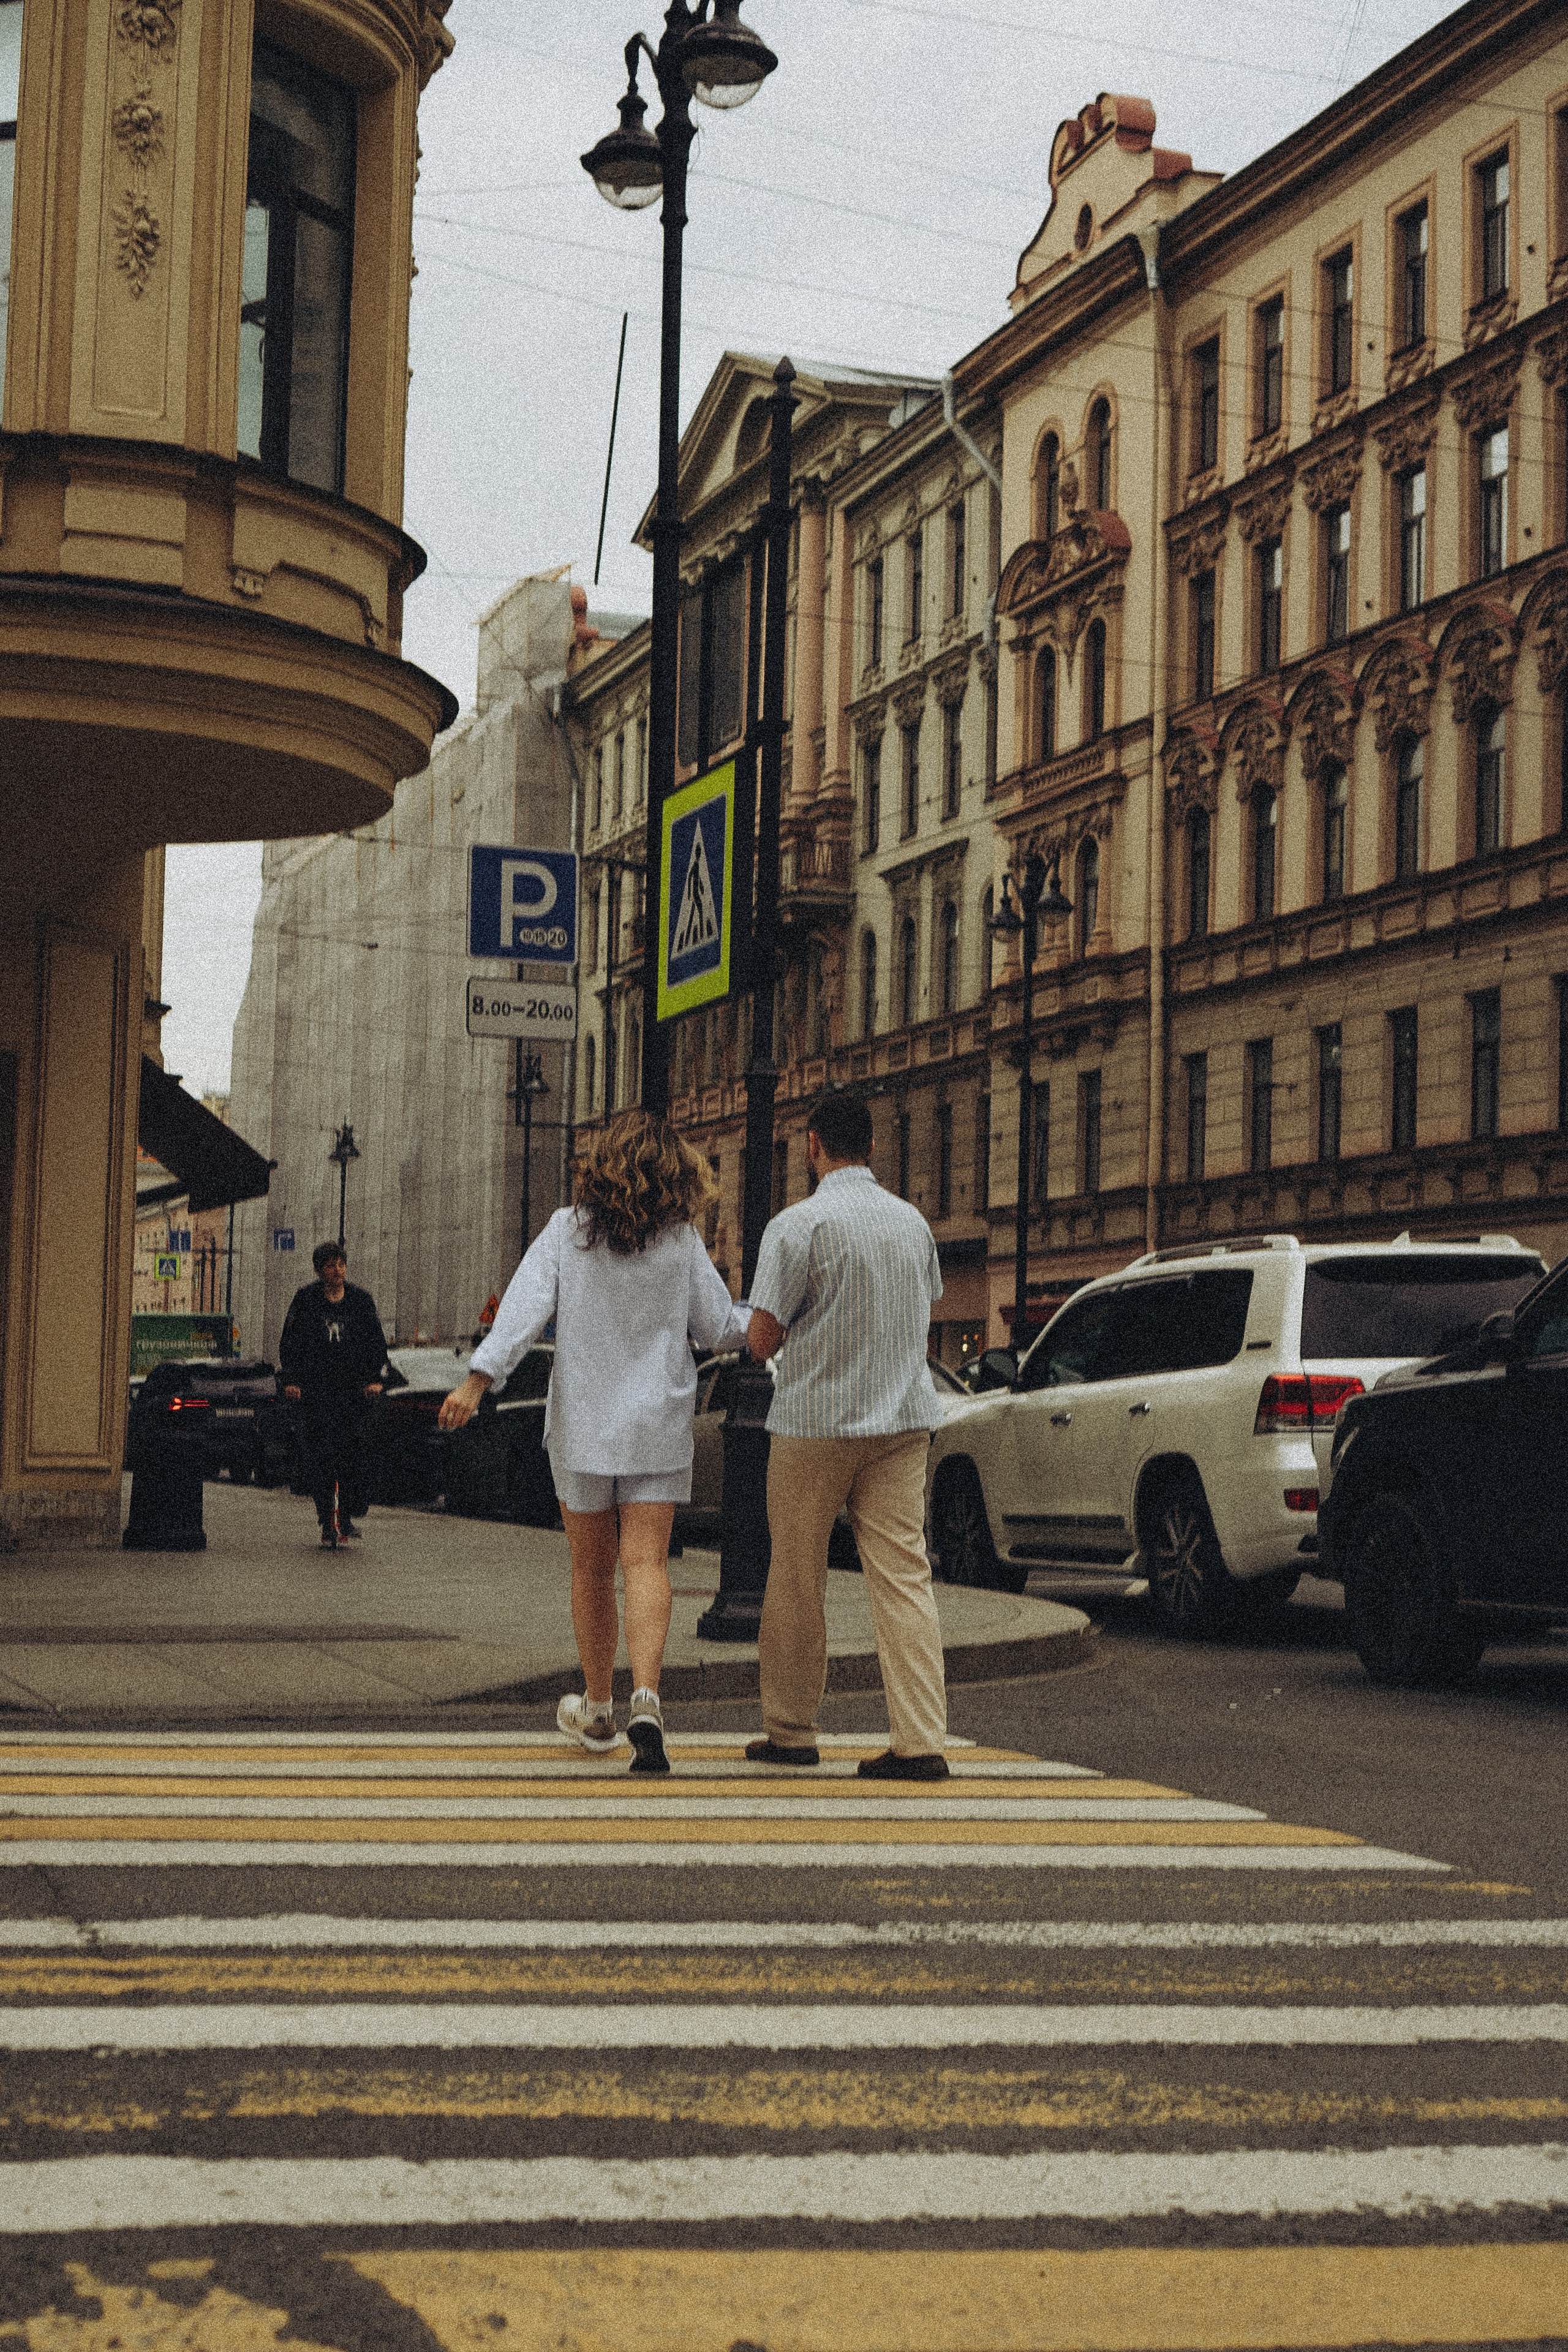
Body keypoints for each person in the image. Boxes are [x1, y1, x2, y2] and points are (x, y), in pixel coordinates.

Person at [439, 1109, 749, 1774]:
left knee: (590, 1570)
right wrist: (767, 1323)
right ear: (674, 1172)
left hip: (582, 1423)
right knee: (647, 1564)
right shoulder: (680, 1240)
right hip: (658, 1423)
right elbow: (719, 1326)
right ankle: (647, 1695)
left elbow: (521, 1312)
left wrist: (476, 1383)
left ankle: (600, 1707)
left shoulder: (566, 1232)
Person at [744, 1089, 949, 1781]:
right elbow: (929, 1303)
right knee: (903, 1574)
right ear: (872, 1146)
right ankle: (920, 1742)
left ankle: (792, 1731)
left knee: (797, 1575)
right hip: (901, 1422)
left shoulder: (797, 1225)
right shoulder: (912, 1224)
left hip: (814, 1424)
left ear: (813, 1146)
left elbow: (762, 1337)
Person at [279, 1242, 387, 1548]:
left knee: (353, 1456)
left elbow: (375, 1343)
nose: (337, 1271)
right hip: (317, 1395)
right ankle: (328, 1522)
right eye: (330, 1266)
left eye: (341, 1264)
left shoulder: (361, 1301)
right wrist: (293, 1380)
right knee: (322, 1461)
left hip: (353, 1394)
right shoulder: (306, 1300)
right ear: (319, 1271)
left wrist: (374, 1380)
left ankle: (348, 1515)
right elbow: (290, 1343)